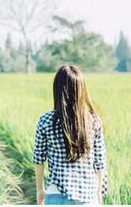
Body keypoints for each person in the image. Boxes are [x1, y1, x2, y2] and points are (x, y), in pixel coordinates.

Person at [33, 64, 107, 205]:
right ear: (81, 90)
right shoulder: (94, 121)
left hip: (56, 194)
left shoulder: (45, 121)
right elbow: (100, 161)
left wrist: (40, 190)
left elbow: (38, 158)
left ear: (57, 90)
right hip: (88, 196)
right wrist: (98, 192)